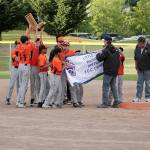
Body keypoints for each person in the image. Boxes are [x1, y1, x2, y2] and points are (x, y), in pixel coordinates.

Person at [96, 35, 120, 108]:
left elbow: (99, 58)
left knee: (105, 87)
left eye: (104, 40)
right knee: (113, 87)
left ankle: (105, 103)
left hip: (108, 71)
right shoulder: (116, 49)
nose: (104, 42)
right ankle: (116, 102)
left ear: (106, 41)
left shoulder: (106, 50)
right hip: (115, 71)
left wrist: (98, 53)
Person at [17, 35, 33, 108]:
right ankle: (21, 102)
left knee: (21, 84)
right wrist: (36, 30)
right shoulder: (28, 46)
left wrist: (29, 28)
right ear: (26, 41)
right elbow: (34, 42)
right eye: (27, 40)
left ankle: (18, 101)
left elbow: (24, 39)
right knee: (24, 85)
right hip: (25, 66)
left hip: (20, 65)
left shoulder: (19, 46)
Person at [133, 37, 150, 102]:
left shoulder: (149, 47)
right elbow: (135, 57)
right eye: (138, 43)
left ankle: (148, 97)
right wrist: (136, 65)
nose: (139, 45)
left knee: (148, 83)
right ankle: (138, 97)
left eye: (140, 44)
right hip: (139, 68)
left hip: (148, 69)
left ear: (144, 42)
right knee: (139, 83)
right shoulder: (137, 47)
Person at [30, 27, 44, 106]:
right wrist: (36, 31)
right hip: (33, 67)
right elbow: (35, 39)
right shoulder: (33, 47)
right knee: (32, 83)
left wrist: (41, 32)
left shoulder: (40, 49)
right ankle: (32, 98)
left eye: (39, 42)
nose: (38, 43)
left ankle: (38, 98)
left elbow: (41, 41)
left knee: (38, 83)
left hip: (38, 67)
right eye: (37, 42)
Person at [5, 39, 20, 105]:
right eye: (18, 43)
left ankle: (19, 99)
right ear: (15, 44)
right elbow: (16, 59)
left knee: (19, 85)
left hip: (20, 69)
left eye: (20, 43)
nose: (19, 44)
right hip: (15, 69)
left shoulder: (22, 51)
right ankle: (8, 98)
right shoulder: (14, 51)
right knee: (11, 84)